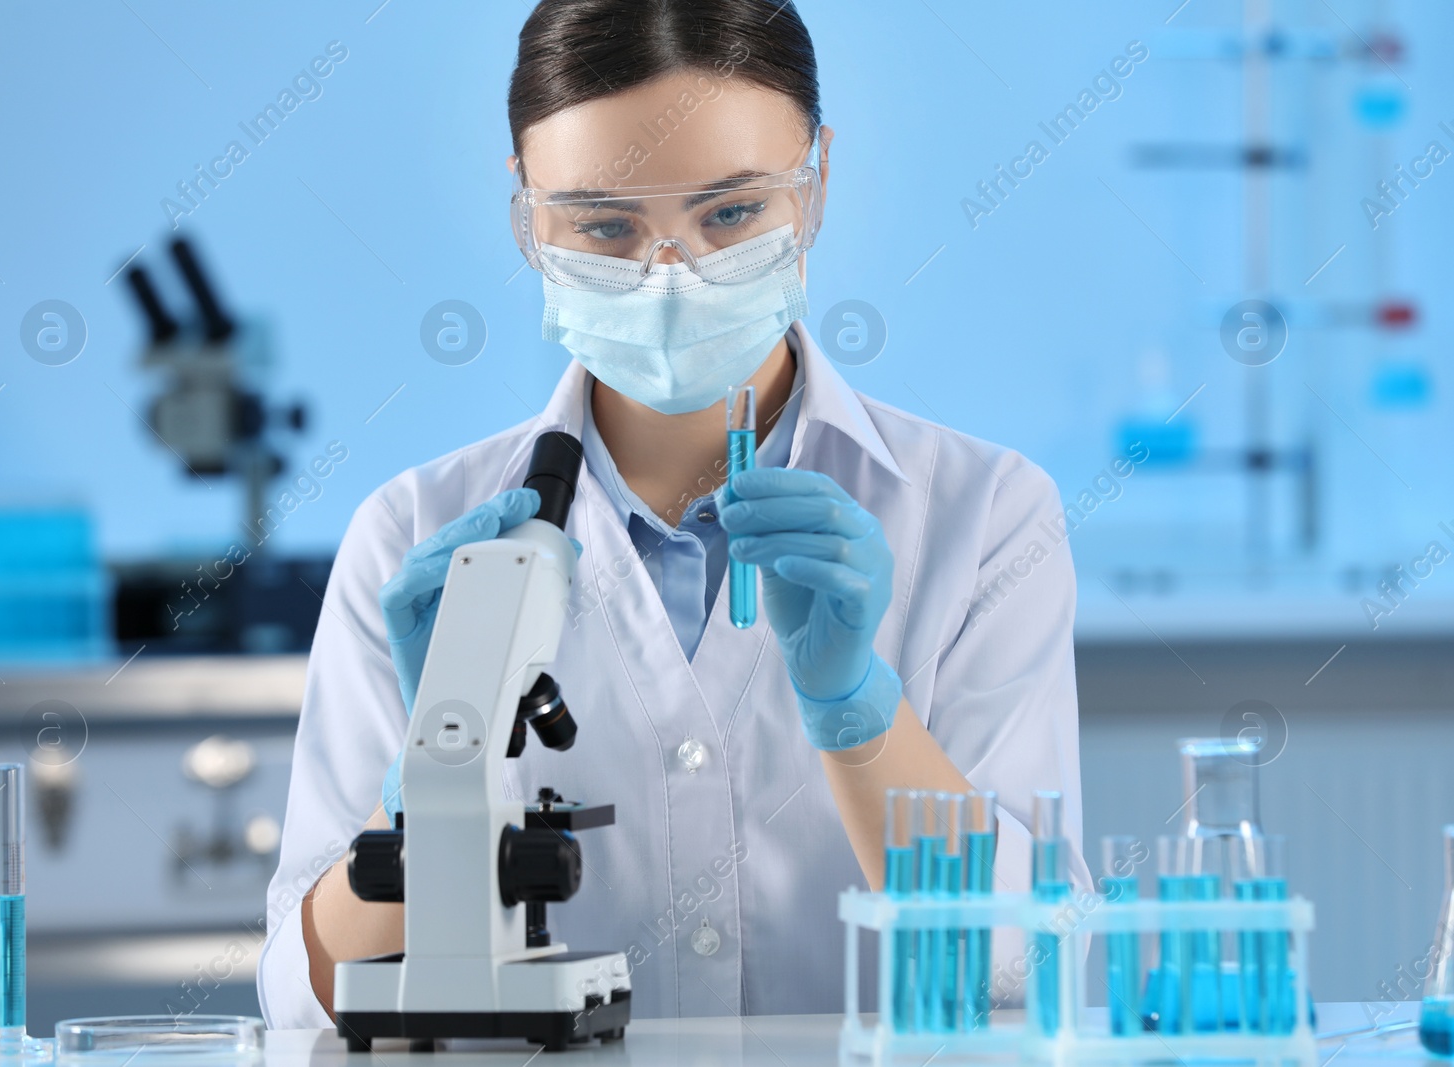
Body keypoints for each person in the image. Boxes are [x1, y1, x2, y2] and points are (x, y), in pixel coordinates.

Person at [259, 0, 1089, 1026]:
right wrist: (436, 782)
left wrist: (861, 716)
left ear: (817, 181)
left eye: (732, 214)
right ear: (526, 215)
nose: (669, 276)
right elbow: (304, 1005)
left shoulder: (985, 517)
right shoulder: (416, 532)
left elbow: (1025, 973)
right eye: (603, 225)